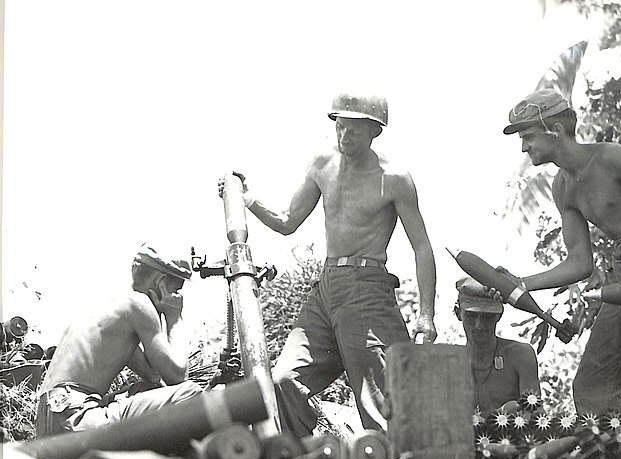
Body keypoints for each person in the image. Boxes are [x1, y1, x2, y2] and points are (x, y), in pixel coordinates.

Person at [224, 93, 437, 436]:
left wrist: (426, 315)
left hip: (366, 289)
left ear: (374, 132)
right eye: (340, 127)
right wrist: (248, 199)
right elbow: (286, 221)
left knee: (379, 402)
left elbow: (422, 248)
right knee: (283, 381)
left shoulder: (394, 179)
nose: (344, 136)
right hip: (327, 287)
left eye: (354, 130)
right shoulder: (322, 164)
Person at [495, 88, 621, 424]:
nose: (523, 146)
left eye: (529, 136)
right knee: (592, 387)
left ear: (556, 131)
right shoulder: (563, 188)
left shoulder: (609, 158)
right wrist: (521, 283)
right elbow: (580, 263)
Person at [35, 244, 202, 437]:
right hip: (76, 416)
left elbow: (153, 375)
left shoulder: (112, 306)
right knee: (190, 394)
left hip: (52, 415)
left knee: (148, 389)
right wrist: (174, 318)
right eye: (176, 289)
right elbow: (178, 377)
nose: (178, 296)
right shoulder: (139, 304)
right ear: (161, 282)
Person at [455, 277, 540, 418]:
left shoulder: (520, 355)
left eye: (487, 317)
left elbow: (534, 413)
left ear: (499, 315)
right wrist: (498, 415)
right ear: (459, 313)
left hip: (513, 438)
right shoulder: (450, 364)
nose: (479, 325)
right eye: (471, 315)